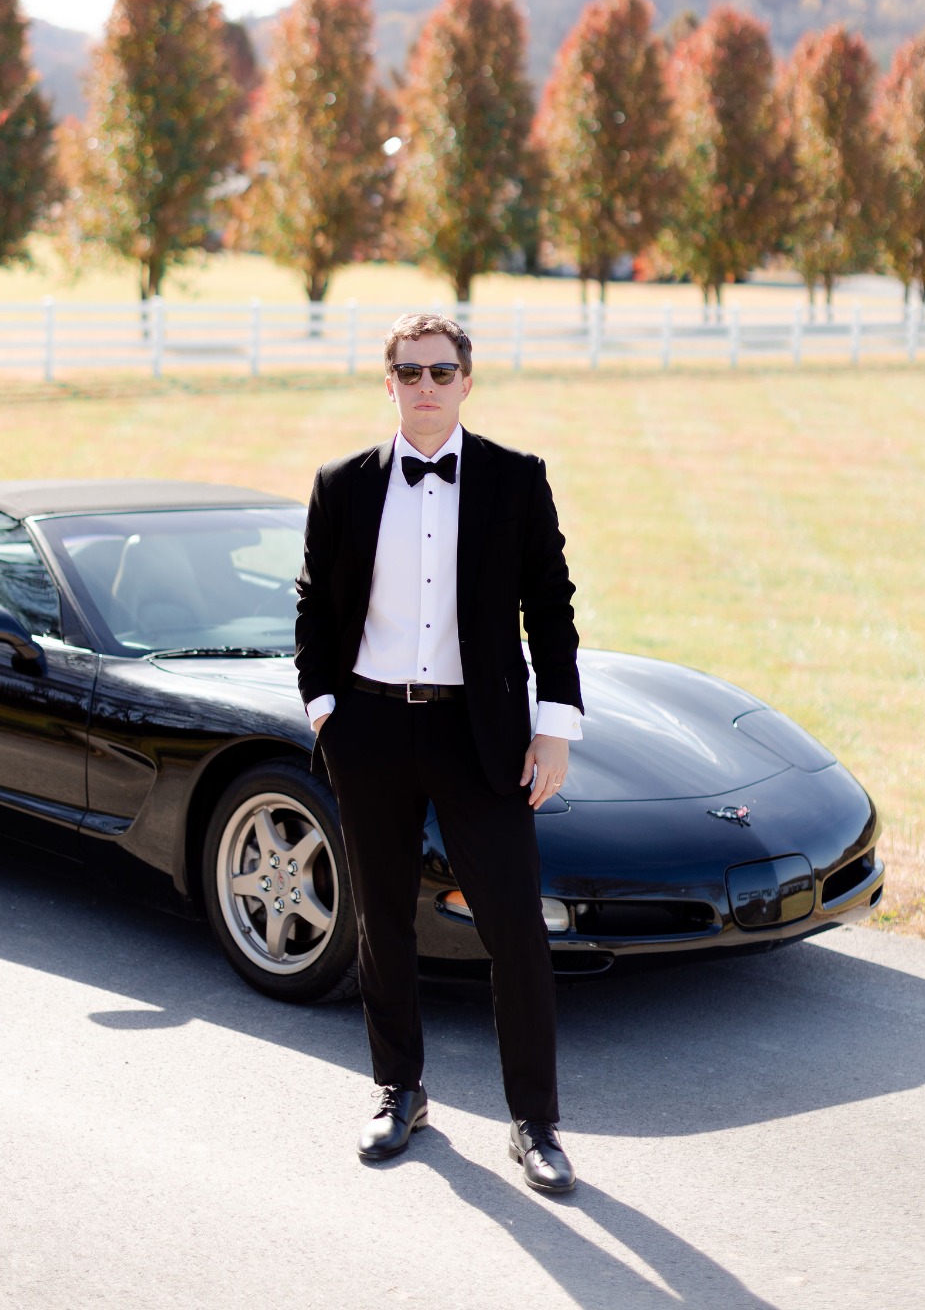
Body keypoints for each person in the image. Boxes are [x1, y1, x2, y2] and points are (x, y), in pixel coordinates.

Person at [295, 310, 584, 1193]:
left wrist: (555, 724)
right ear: (388, 383)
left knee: (514, 931)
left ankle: (535, 1122)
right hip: (370, 732)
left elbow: (552, 607)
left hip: (479, 732)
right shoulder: (341, 483)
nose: (425, 387)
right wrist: (323, 711)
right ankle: (398, 1091)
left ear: (468, 380)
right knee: (380, 922)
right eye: (409, 373)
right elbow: (312, 605)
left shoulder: (515, 479)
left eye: (441, 372)